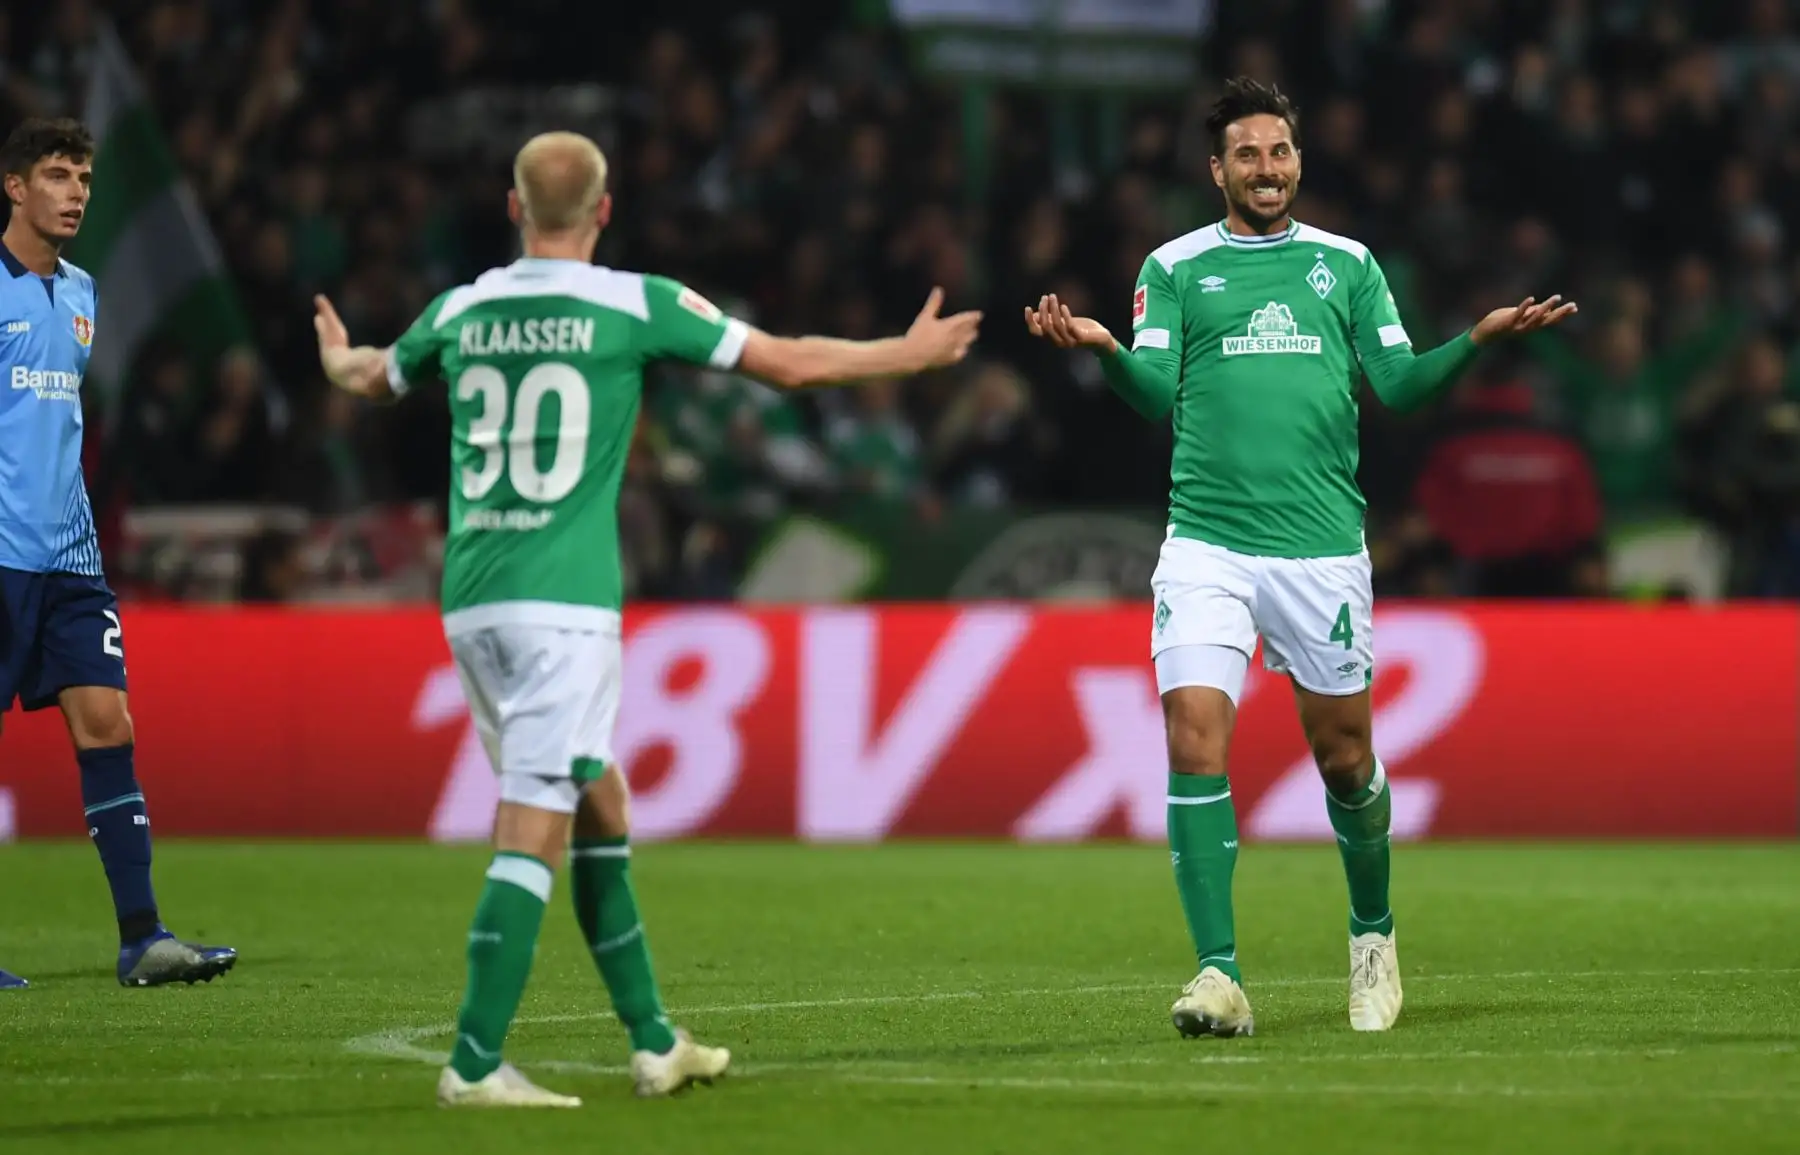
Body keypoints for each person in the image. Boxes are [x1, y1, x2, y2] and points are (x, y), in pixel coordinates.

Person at [314, 131, 979, 1106]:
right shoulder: (634, 304)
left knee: (600, 802)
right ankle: (473, 1061)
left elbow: (373, 378)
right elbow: (788, 366)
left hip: (472, 601)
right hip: (562, 607)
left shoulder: (462, 308)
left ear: (513, 207)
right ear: (606, 210)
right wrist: (906, 355)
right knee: (533, 825)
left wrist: (335, 357)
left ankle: (655, 1041)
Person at [1023, 79, 1576, 1037]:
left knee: (1345, 759)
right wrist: (1105, 348)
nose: (1266, 169)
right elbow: (1154, 393)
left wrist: (1477, 341)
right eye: (1247, 154)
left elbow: (1399, 385)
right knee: (1193, 739)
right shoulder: (1176, 267)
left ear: (1298, 162)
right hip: (1206, 545)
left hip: (1321, 553)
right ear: (1216, 170)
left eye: (1278, 152)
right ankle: (1218, 974)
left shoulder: (1348, 265)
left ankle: (1372, 934)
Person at [0, 117, 237, 990]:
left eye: (85, 178)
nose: (75, 193)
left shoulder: (86, 292)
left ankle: (144, 937)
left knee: (109, 725)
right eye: (57, 175)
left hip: (70, 559)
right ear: (14, 186)